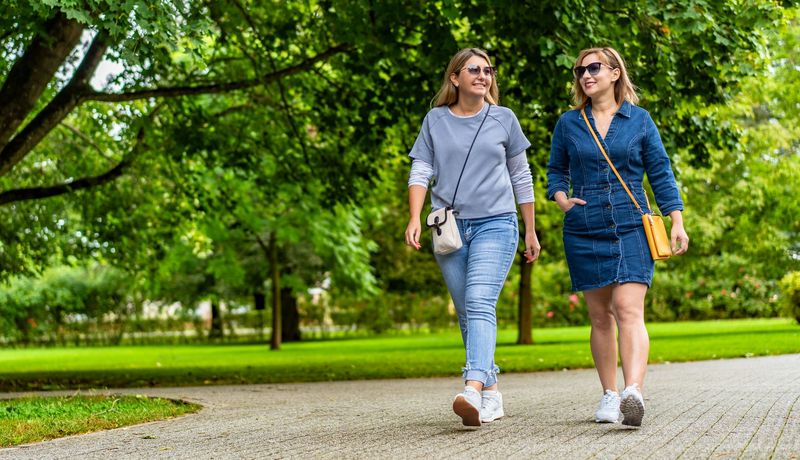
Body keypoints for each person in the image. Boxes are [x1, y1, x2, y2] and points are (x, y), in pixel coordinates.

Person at [547, 47, 689, 427]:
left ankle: (633, 392)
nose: (585, 75)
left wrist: (676, 220)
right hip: (584, 226)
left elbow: (660, 172)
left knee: (628, 309)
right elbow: (556, 170)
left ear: (614, 73)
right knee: (599, 316)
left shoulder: (639, 120)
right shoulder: (568, 123)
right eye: (580, 70)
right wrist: (562, 199)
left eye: (594, 68)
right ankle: (610, 394)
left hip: (631, 224)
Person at [404, 48, 540, 427]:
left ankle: (473, 388)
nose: (483, 75)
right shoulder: (435, 120)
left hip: (496, 223)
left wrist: (530, 229)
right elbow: (421, 170)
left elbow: (521, 176)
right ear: (455, 78)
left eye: (488, 70)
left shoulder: (504, 119)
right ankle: (492, 394)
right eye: (474, 70)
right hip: (448, 228)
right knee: (468, 310)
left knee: (479, 300)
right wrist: (414, 217)